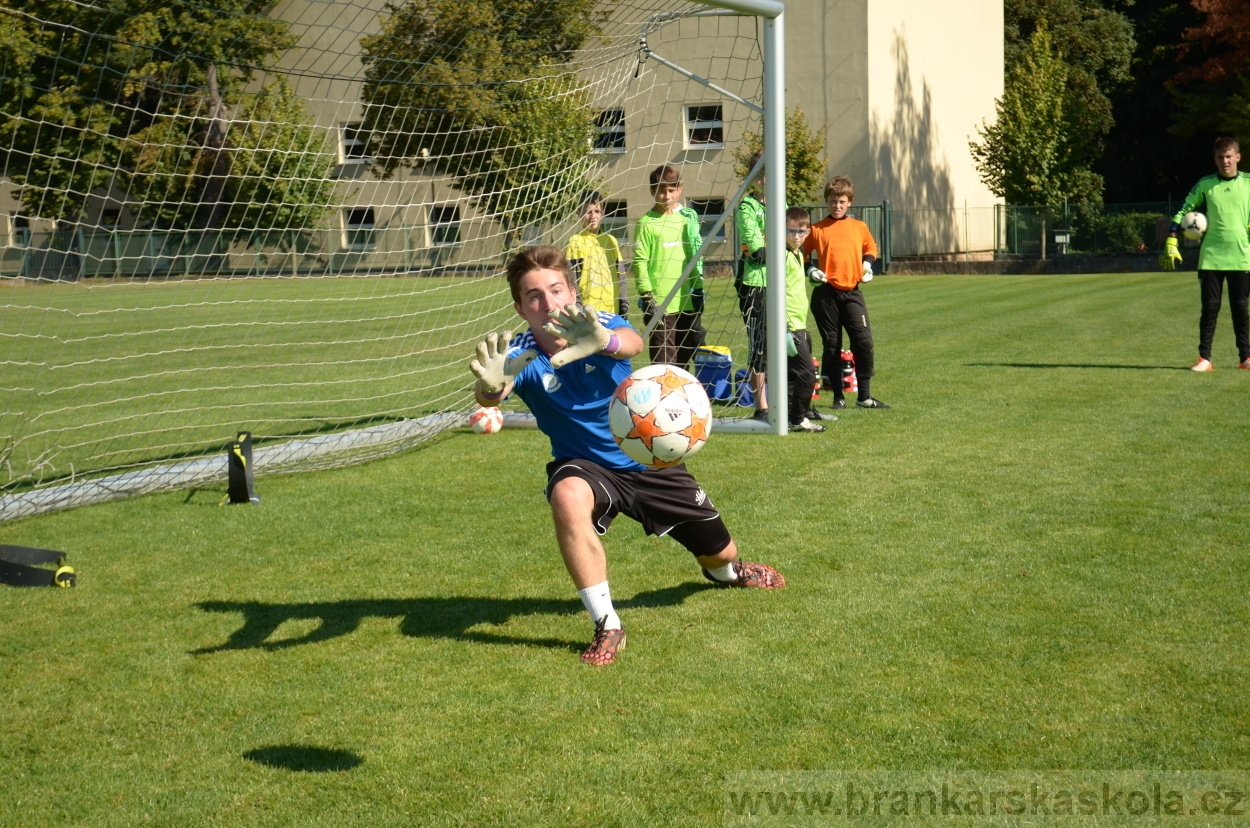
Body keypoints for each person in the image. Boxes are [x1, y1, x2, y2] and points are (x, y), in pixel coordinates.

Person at [470, 246, 785, 667]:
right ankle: (607, 624)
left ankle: (727, 574)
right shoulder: (522, 354)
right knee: (566, 496)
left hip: (647, 457)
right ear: (521, 308)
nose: (548, 304)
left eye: (556, 289)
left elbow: (632, 343)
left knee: (721, 553)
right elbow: (495, 389)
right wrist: (491, 389)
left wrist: (606, 342)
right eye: (534, 297)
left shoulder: (597, 323)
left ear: (572, 292)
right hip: (585, 466)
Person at [1162, 136, 1250, 371]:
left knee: (1240, 308)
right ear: (1215, 159)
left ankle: (1246, 358)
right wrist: (1172, 236)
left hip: (1241, 256)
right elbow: (1184, 210)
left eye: (1229, 156)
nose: (1225, 161)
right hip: (1211, 257)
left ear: (1238, 157)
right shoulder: (1205, 185)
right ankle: (1205, 359)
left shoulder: (1249, 184)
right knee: (1210, 308)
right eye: (1221, 157)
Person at [803, 175, 890, 409]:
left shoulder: (859, 227)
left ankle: (864, 397)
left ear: (849, 201)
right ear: (826, 201)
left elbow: (871, 248)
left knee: (863, 341)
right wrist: (810, 269)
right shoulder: (817, 229)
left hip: (852, 292)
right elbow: (799, 253)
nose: (837, 206)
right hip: (825, 295)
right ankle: (838, 397)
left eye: (841, 201)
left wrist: (868, 264)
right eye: (833, 201)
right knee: (832, 344)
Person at [633, 165, 705, 370]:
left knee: (685, 355)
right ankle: (663, 399)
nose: (666, 196)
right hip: (660, 303)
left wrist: (698, 287)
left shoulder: (686, 220)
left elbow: (694, 255)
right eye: (661, 191)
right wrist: (646, 296)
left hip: (686, 300)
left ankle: (681, 400)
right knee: (664, 358)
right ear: (652, 191)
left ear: (679, 190)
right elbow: (639, 261)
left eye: (671, 191)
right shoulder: (645, 223)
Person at [783, 207, 828, 432]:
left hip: (800, 323)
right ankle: (799, 418)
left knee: (794, 375)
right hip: (789, 325)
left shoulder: (798, 254)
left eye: (801, 232)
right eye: (791, 231)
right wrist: (783, 326)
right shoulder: (781, 255)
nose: (797, 237)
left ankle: (792, 418)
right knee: (807, 373)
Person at [735, 150, 772, 419]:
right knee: (759, 344)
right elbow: (758, 253)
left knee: (791, 342)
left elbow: (796, 244)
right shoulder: (746, 208)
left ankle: (791, 401)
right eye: (760, 172)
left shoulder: (782, 207)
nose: (765, 177)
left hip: (782, 284)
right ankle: (762, 407)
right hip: (754, 285)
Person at [564, 191, 629, 318]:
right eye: (588, 212)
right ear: (579, 213)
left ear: (602, 213)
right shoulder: (575, 241)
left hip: (612, 311)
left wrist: (624, 303)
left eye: (597, 211)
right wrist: (577, 308)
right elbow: (572, 280)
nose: (593, 216)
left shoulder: (611, 240)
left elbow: (620, 274)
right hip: (588, 313)